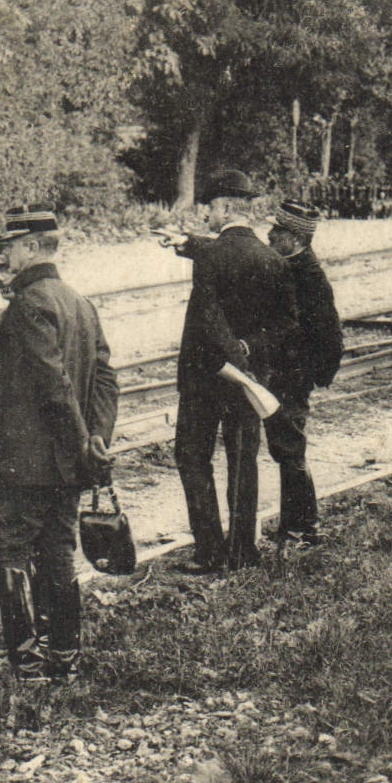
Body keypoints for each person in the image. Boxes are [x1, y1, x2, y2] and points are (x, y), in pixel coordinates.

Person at [0, 206, 117, 683]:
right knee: (58, 551)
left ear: (31, 248)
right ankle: (64, 656)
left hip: (25, 464)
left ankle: (26, 663)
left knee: (9, 549)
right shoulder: (80, 303)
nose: (5, 257)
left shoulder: (28, 305)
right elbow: (105, 378)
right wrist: (95, 438)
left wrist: (82, 441)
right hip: (68, 463)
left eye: (9, 247)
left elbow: (52, 385)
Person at [158, 170, 297, 572]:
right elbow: (287, 324)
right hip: (251, 380)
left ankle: (209, 552)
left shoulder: (210, 257)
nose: (207, 215)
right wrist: (247, 351)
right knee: (242, 460)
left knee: (192, 455)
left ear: (226, 207)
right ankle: (241, 552)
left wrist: (229, 355)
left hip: (204, 375)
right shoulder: (273, 260)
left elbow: (207, 316)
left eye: (211, 208)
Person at [264, 200, 342, 550]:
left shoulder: (308, 276)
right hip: (286, 372)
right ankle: (296, 524)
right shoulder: (292, 265)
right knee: (286, 447)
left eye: (278, 231)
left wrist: (311, 374)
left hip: (292, 375)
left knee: (289, 448)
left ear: (295, 238)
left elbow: (330, 334)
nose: (270, 234)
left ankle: (303, 527)